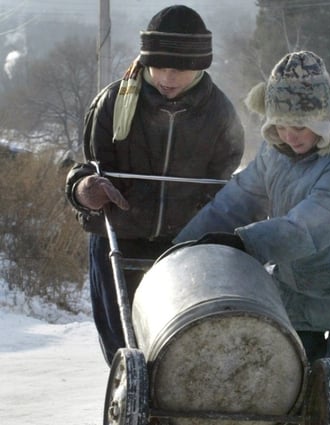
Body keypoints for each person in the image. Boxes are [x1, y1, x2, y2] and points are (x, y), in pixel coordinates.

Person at [174, 50, 330, 425]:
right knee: (294, 385)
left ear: (322, 119)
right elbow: (235, 201)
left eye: (299, 125)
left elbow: (310, 227)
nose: (289, 135)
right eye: (280, 125)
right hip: (302, 287)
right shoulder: (276, 152)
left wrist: (246, 242)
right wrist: (183, 250)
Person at [65, 5, 244, 366]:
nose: (167, 76)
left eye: (179, 68)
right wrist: (85, 189)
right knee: (126, 354)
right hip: (117, 241)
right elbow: (86, 168)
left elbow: (223, 184)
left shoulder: (219, 114)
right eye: (159, 66)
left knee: (176, 356)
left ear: (201, 66)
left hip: (184, 250)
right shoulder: (113, 103)